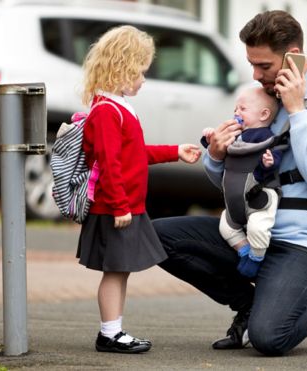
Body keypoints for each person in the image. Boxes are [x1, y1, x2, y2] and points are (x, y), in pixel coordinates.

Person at [153, 10, 307, 356]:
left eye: (264, 66)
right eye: (252, 64)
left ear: (293, 54)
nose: (255, 75)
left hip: (302, 242)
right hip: (246, 231)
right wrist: (217, 156)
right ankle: (250, 305)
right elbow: (231, 179)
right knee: (157, 237)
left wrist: (297, 112)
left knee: (269, 338)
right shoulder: (260, 96)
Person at [76, 25, 201, 354]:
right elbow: (108, 162)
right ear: (123, 67)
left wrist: (175, 151)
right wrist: (120, 206)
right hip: (114, 208)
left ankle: (113, 330)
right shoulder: (106, 111)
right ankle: (110, 333)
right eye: (141, 72)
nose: (144, 80)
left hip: (124, 205)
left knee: (121, 271)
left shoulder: (118, 106)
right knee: (115, 271)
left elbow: (134, 154)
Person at [202, 86, 281, 278]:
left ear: (263, 114)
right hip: (235, 204)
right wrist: (211, 138)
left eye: (243, 109)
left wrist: (269, 161)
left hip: (259, 200)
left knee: (258, 228)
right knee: (226, 227)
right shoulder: (238, 134)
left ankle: (256, 258)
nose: (237, 113)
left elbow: (274, 156)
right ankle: (244, 250)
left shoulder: (264, 136)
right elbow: (218, 146)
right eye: (235, 109)